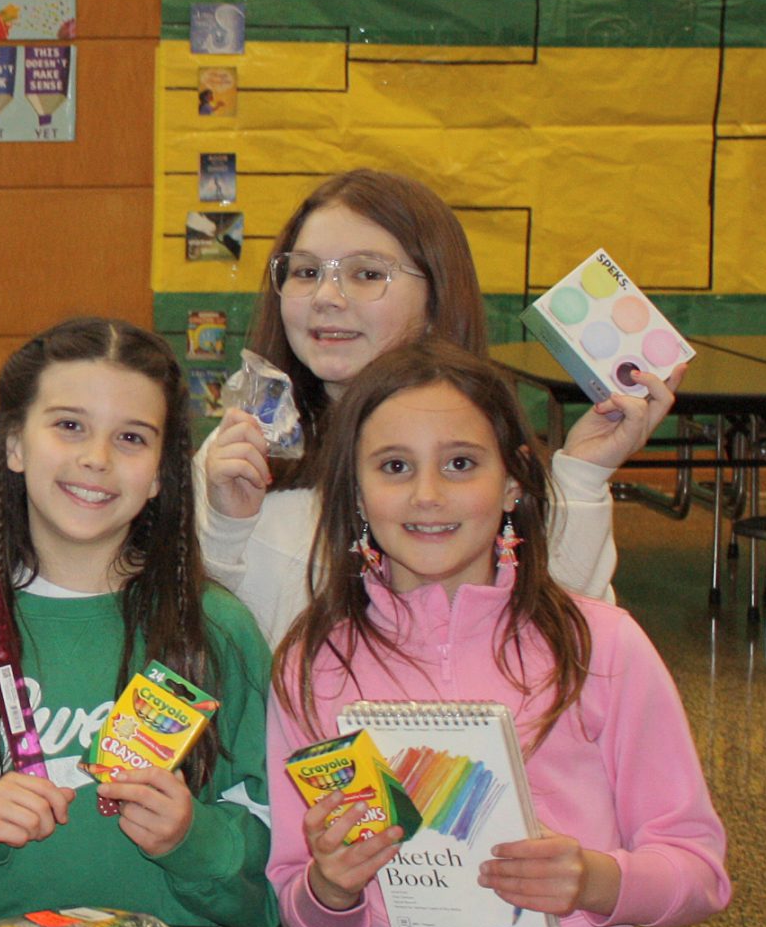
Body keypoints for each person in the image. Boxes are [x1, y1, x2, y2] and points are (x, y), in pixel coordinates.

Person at [263, 340, 730, 927]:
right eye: (394, 466)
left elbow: (700, 874)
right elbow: (296, 898)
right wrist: (331, 888)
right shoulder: (311, 664)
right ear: (354, 491)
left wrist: (597, 880)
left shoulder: (600, 645)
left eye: (460, 463)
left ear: (512, 481)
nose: (427, 495)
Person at [0, 319, 278, 927]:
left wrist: (192, 838)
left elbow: (270, 876)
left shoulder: (217, 630)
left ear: (160, 475)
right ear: (14, 444)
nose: (96, 459)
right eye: (69, 426)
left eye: (131, 438)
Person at [196, 169, 685, 643]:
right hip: (294, 724)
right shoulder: (238, 452)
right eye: (305, 272)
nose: (326, 296)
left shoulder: (491, 456)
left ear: (436, 296)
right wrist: (224, 530)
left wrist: (582, 477)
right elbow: (205, 639)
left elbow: (573, 639)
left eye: (366, 274)